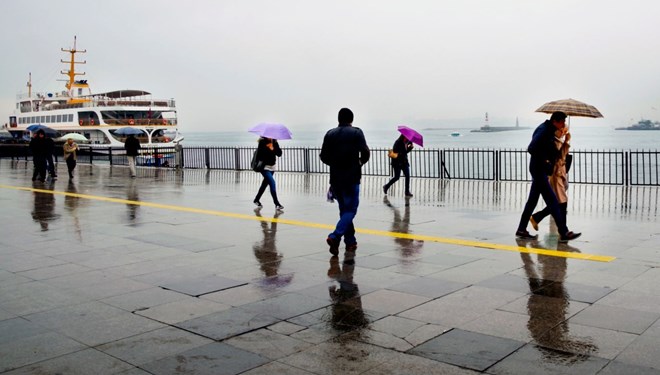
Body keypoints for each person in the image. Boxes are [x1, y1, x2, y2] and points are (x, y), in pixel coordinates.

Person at [516, 111, 580, 243]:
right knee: (553, 202)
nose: (564, 124)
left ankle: (521, 229)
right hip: (539, 169)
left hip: (540, 170)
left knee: (532, 201)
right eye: (562, 122)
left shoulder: (548, 129)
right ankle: (564, 232)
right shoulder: (544, 130)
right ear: (555, 121)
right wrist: (546, 161)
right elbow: (532, 148)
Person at [320, 108, 370, 255]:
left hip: (335, 178)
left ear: (338, 119)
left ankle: (350, 242)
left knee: (344, 210)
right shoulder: (356, 132)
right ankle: (335, 236)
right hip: (352, 177)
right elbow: (365, 152)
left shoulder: (330, 134)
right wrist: (359, 162)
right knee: (351, 209)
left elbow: (323, 156)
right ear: (351, 119)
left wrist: (335, 164)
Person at [530, 128, 571, 231]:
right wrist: (566, 142)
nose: (563, 132)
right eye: (561, 130)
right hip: (555, 175)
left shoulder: (559, 141)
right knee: (561, 202)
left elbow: (563, 155)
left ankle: (537, 217)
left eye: (565, 131)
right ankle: (564, 231)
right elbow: (558, 157)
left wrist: (566, 141)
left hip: (560, 175)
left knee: (558, 202)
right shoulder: (553, 141)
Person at [253, 137, 284, 211]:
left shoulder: (275, 142)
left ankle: (256, 200)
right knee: (272, 183)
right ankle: (277, 204)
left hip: (272, 167)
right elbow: (260, 155)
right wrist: (268, 148)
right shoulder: (262, 142)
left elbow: (279, 154)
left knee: (264, 185)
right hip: (264, 167)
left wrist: (273, 148)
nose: (270, 136)